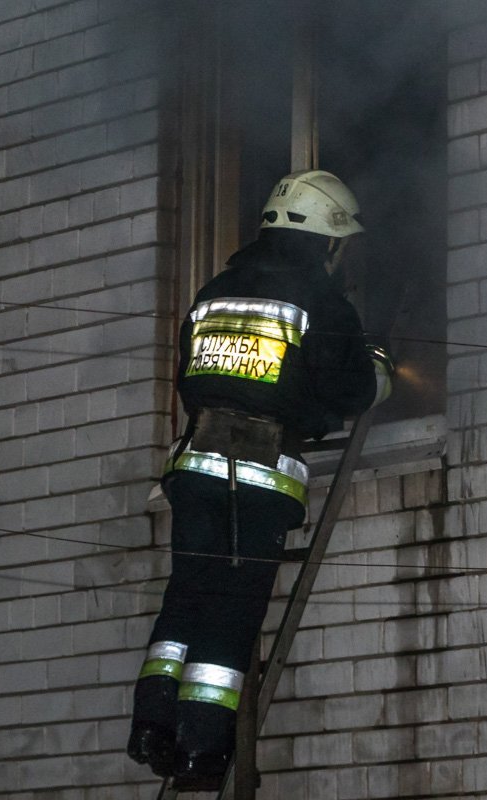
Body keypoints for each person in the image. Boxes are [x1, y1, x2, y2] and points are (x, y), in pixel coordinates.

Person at [126, 170, 392, 788]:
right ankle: (201, 750)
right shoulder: (320, 302)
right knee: (232, 610)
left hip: (193, 467)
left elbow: (193, 381)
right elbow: (348, 388)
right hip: (257, 477)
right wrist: (379, 373)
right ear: (326, 238)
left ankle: (151, 724)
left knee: (187, 599)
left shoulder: (214, 290)